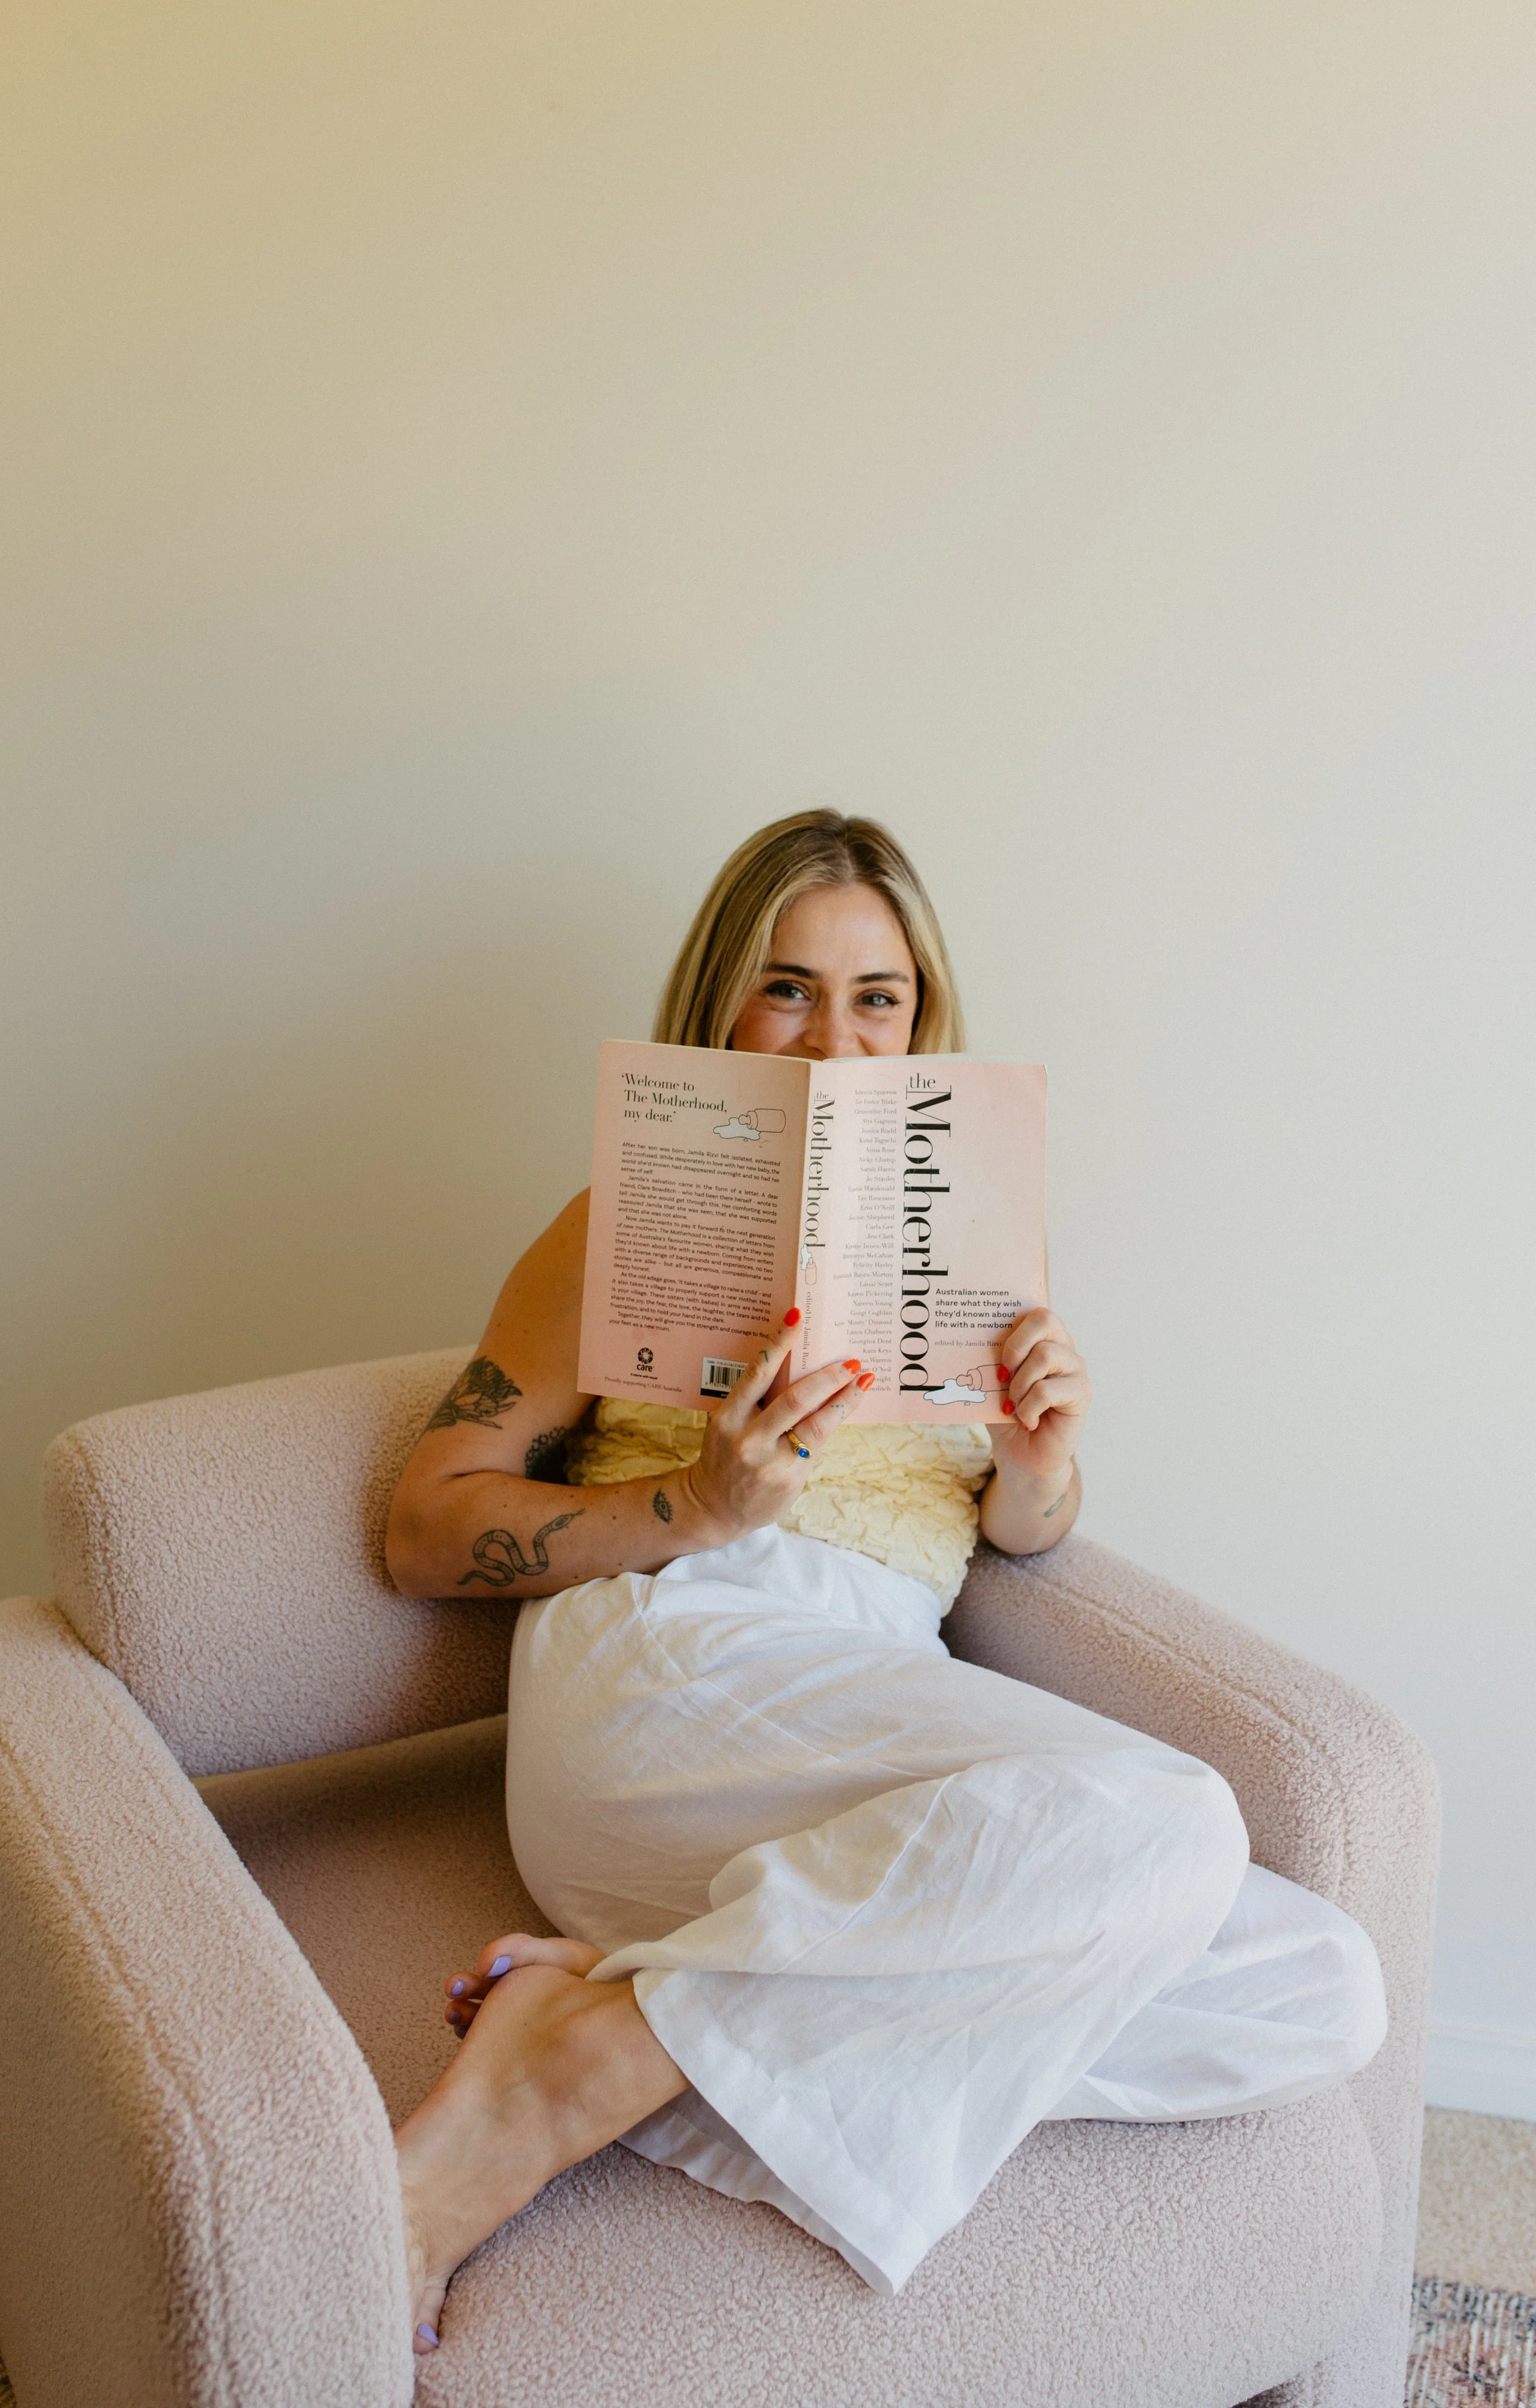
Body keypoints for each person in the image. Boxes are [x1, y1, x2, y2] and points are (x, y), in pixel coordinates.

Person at [384, 811, 1386, 2355]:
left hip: (866, 1723)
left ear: (923, 1019)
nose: (835, 1043)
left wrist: (1036, 1458)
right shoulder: (613, 1229)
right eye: (786, 989)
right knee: (1173, 1824)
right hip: (671, 1663)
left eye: (877, 998)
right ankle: (554, 2094)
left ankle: (623, 2013)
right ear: (721, 1003)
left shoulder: (967, 1244)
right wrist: (691, 1499)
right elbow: (425, 1529)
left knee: (1324, 1990)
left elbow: (1018, 1531)